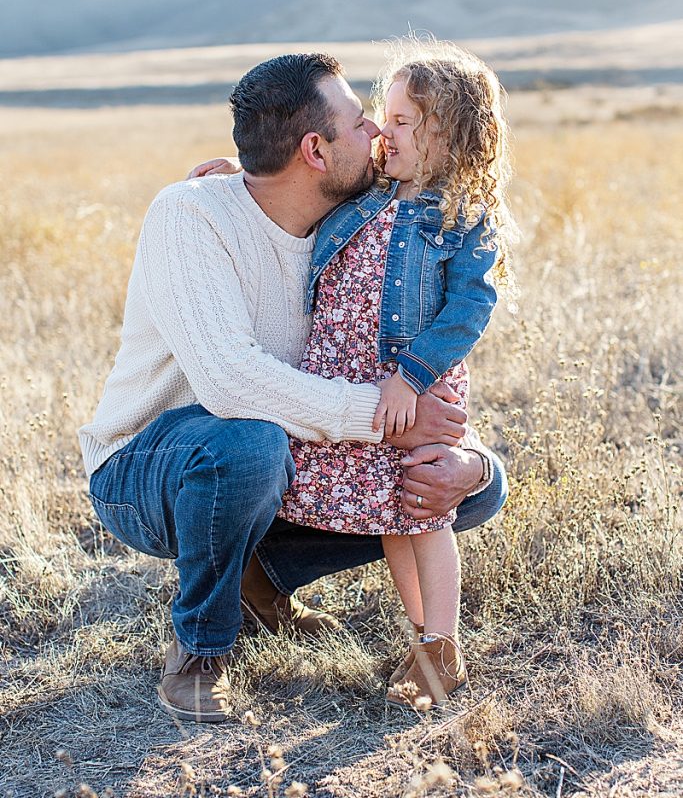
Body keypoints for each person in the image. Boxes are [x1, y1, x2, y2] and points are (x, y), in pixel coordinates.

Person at [79, 52, 508, 723]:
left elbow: (399, 357)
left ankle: (262, 582)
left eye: (387, 120)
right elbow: (229, 384)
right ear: (314, 149)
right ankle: (200, 651)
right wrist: (383, 416)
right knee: (245, 447)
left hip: (277, 454)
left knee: (463, 486)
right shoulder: (190, 216)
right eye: (363, 120)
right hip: (150, 466)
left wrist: (470, 462)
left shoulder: (345, 223)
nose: (375, 134)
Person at [272, 40, 514, 708]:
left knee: (422, 506)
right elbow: (294, 174)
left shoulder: (459, 217)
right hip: (352, 385)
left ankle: (442, 645)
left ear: (450, 135)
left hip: (410, 384)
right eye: (386, 114)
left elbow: (471, 306)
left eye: (405, 120)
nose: (385, 130)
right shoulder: (367, 191)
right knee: (389, 514)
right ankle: (418, 634)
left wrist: (409, 377)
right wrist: (230, 173)